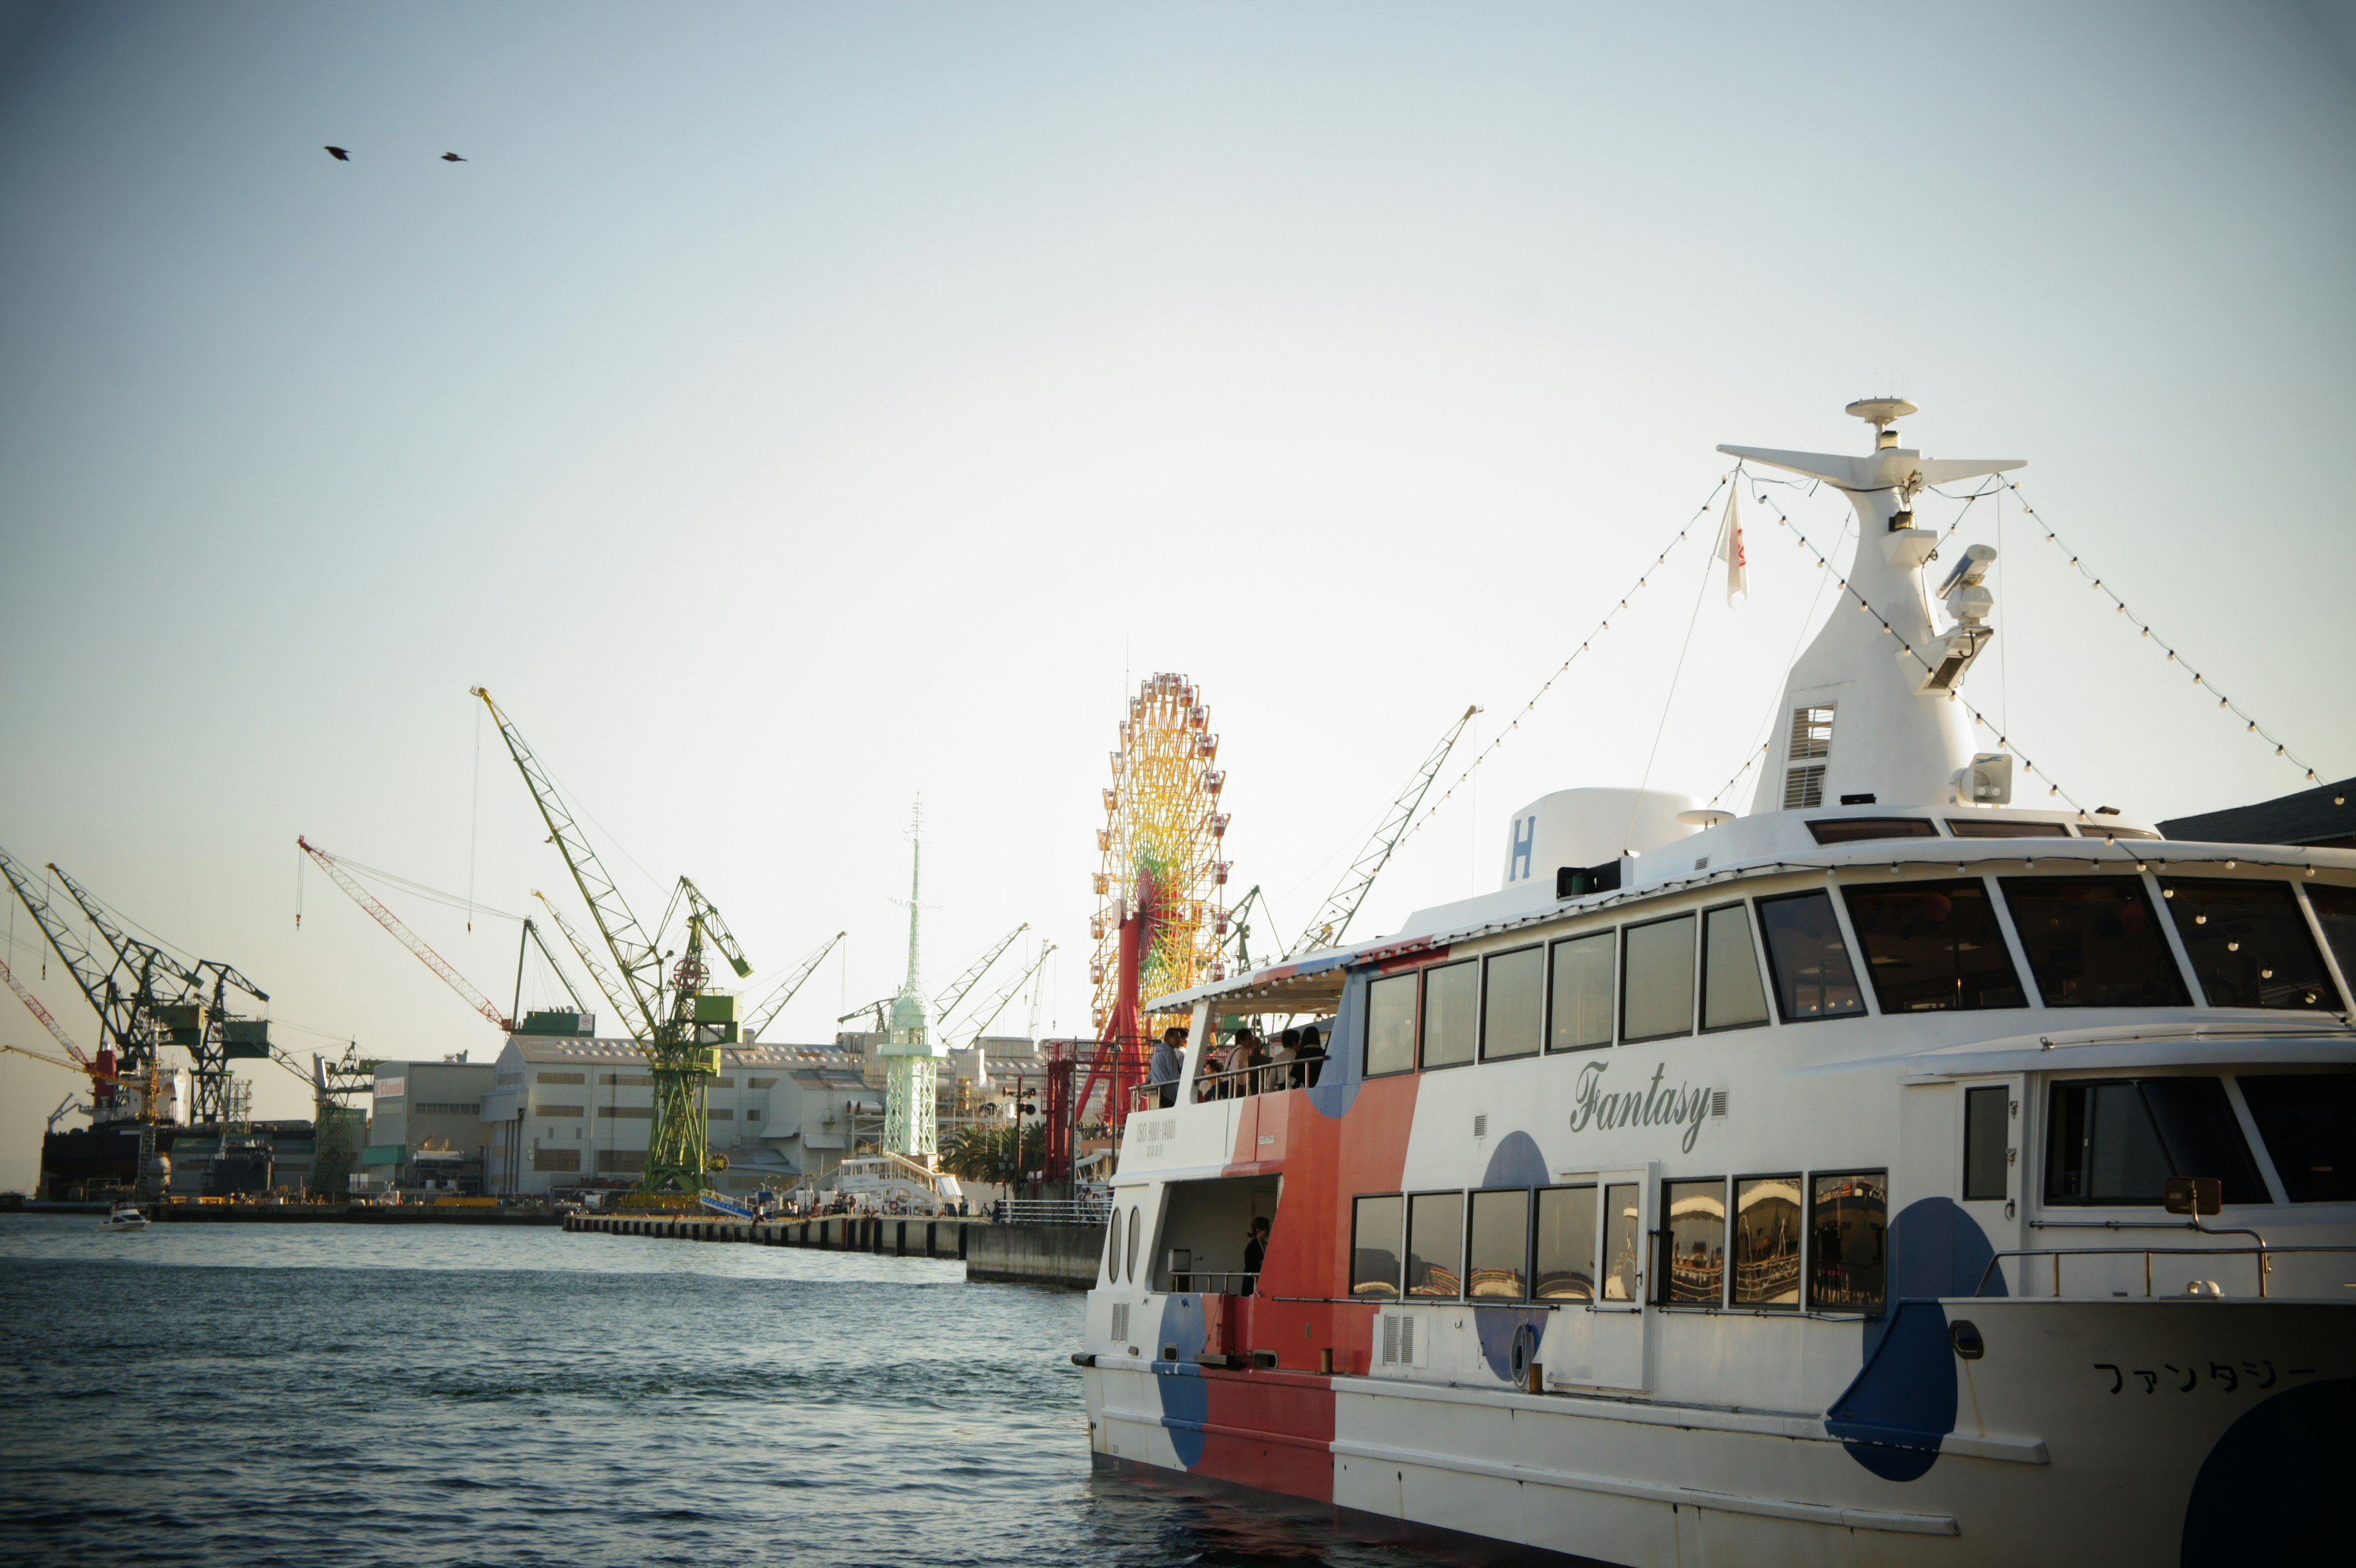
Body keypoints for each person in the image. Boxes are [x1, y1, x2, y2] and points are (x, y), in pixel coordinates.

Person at [1148, 1026, 1186, 1109]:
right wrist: (1181, 1094)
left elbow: (1152, 1072)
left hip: (1160, 1090)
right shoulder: (1169, 1053)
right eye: (1176, 1038)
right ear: (1168, 1038)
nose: (1179, 1040)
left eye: (1179, 1038)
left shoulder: (1158, 1051)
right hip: (1169, 1091)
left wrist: (1145, 1083)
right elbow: (1174, 1075)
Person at [1241, 1215, 1271, 1294]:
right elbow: (1249, 1264)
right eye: (1266, 1228)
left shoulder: (1267, 1245)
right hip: (1252, 1283)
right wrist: (1262, 1262)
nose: (1269, 1230)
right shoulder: (1251, 1247)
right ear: (1258, 1230)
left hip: (1264, 1281)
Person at [1295, 1023, 1326, 1088]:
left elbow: (1295, 1072)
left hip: (1303, 1086)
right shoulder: (1324, 1053)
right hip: (1321, 1085)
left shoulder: (1301, 1054)